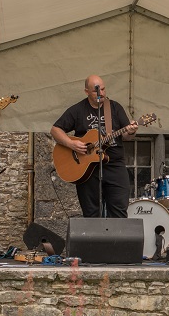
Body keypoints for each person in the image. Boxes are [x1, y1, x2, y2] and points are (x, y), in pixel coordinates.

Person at [51, 74, 139, 218]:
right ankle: (95, 241)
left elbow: (126, 136)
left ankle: (116, 240)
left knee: (119, 212)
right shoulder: (78, 110)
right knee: (91, 214)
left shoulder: (115, 108)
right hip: (88, 170)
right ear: (86, 92)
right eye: (96, 91)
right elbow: (55, 130)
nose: (102, 93)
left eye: (103, 89)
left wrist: (132, 131)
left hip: (114, 165)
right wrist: (72, 144)